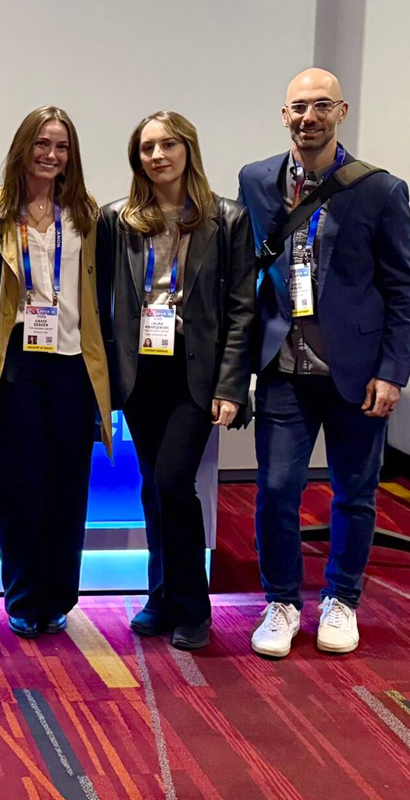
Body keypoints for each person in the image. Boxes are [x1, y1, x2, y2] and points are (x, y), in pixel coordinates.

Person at [240, 68, 410, 658]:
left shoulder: (382, 190)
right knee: (277, 489)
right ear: (283, 115)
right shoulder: (257, 180)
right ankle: (282, 601)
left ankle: (343, 598)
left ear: (340, 112)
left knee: (355, 493)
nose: (307, 118)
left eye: (320, 107)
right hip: (285, 367)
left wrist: (393, 371)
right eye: (297, 108)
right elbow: (251, 275)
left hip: (357, 373)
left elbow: (401, 289)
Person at [97, 111, 256, 650]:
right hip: (141, 371)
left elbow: (241, 308)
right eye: (146, 147)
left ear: (188, 148)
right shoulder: (118, 219)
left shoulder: (227, 218)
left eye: (167, 144)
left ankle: (192, 604)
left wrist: (232, 386)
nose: (157, 155)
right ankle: (160, 596)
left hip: (196, 374)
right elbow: (104, 304)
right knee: (152, 487)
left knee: (173, 484)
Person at [0, 107, 113, 639]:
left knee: (67, 483)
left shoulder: (86, 212)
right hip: (15, 363)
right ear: (23, 148)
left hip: (73, 364)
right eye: (42, 145)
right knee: (16, 483)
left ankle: (59, 595)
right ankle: (24, 596)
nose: (51, 155)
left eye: (62, 147)